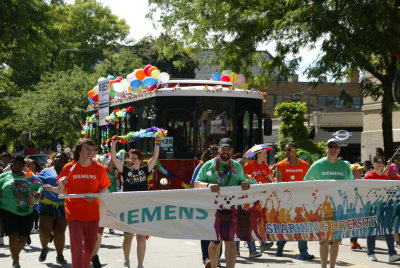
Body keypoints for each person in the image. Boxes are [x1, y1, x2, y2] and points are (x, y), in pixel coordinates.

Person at [45, 138, 110, 268]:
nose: (91, 151)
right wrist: (62, 183)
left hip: (93, 215)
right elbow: (61, 192)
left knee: (89, 248)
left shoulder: (99, 168)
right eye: (87, 149)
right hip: (74, 214)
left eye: (92, 149)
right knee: (76, 247)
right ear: (79, 151)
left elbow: (105, 188)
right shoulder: (69, 167)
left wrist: (95, 196)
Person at [195, 137, 251, 268]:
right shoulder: (208, 165)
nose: (226, 151)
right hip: (213, 209)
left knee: (230, 242)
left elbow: (243, 181)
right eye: (223, 148)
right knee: (215, 242)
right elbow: (196, 184)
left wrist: (244, 183)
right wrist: (208, 184)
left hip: (232, 208)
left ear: (232, 150)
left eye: (228, 149)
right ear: (219, 149)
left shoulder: (236, 166)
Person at [111, 136, 161, 268]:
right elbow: (114, 159)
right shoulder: (125, 171)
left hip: (142, 208)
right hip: (128, 209)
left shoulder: (145, 170)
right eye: (130, 158)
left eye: (134, 158)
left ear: (140, 160)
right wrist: (113, 144)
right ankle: (126, 260)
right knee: (128, 238)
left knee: (141, 237)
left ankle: (140, 264)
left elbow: (155, 157)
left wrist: (157, 141)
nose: (131, 160)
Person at [304, 138, 354, 268]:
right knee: (324, 239)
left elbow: (351, 185)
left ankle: (332, 266)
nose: (333, 149)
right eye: (330, 146)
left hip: (339, 209)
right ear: (326, 148)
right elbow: (306, 184)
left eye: (335, 147)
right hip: (321, 208)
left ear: (339, 150)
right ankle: (323, 267)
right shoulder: (317, 165)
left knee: (336, 240)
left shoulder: (344, 166)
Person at [0, 154, 42, 268]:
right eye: (12, 162)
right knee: (13, 237)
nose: (12, 164)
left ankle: (15, 254)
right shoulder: (4, 176)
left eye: (16, 162)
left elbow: (39, 186)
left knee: (23, 237)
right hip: (8, 211)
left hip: (27, 211)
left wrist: (38, 193)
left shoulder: (29, 176)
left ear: (23, 165)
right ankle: (16, 261)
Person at [274, 142, 315, 260]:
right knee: (288, 226)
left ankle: (303, 252)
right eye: (285, 150)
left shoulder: (305, 165)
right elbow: (278, 185)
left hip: (302, 201)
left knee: (302, 225)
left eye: (289, 150)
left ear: (295, 151)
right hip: (287, 202)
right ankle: (280, 245)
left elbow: (310, 183)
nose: (286, 152)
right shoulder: (280, 166)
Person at [363, 155, 400, 263]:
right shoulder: (368, 177)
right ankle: (370, 252)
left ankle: (392, 254)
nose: (380, 164)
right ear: (373, 164)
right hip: (372, 207)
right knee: (372, 230)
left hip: (386, 207)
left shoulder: (387, 177)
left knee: (388, 229)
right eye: (377, 162)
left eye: (381, 162)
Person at [189, 146, 221, 266]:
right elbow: (193, 184)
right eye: (212, 153)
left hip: (220, 203)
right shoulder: (202, 166)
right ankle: (206, 258)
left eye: (215, 153)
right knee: (206, 230)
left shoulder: (225, 166)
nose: (214, 155)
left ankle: (216, 259)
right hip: (204, 203)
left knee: (219, 231)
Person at [36, 152, 69, 265]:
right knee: (44, 231)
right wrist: (39, 191)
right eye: (56, 157)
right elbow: (38, 184)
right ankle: (44, 248)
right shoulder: (45, 171)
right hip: (47, 204)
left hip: (63, 205)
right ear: (53, 159)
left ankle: (59, 255)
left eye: (61, 158)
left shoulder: (69, 172)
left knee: (60, 231)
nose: (58, 159)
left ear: (65, 160)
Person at [91, 159, 121, 268]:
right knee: (88, 236)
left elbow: (107, 188)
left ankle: (94, 256)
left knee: (98, 235)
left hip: (104, 205)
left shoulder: (106, 173)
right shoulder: (89, 176)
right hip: (88, 210)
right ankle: (89, 255)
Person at [243, 147, 274, 252]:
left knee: (261, 220)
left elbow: (270, 179)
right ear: (258, 154)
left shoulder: (266, 166)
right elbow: (244, 179)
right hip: (252, 197)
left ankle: (261, 242)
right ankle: (258, 243)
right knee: (254, 220)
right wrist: (254, 182)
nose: (266, 155)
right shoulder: (248, 166)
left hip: (265, 197)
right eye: (264, 153)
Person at [348, 163, 364, 250]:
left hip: (360, 205)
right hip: (351, 206)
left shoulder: (363, 181)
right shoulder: (348, 181)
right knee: (353, 223)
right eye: (360, 170)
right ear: (353, 171)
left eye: (362, 170)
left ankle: (354, 241)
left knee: (358, 224)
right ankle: (352, 242)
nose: (362, 171)